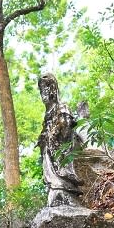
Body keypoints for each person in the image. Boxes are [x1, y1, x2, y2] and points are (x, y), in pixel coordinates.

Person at [37, 73, 82, 207]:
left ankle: (62, 186)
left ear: (53, 89)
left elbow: (66, 124)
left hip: (61, 148)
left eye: (46, 88)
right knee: (47, 155)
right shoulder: (47, 114)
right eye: (41, 90)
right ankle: (56, 186)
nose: (43, 93)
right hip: (49, 150)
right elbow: (45, 132)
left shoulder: (62, 107)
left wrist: (52, 134)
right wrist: (43, 138)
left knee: (58, 157)